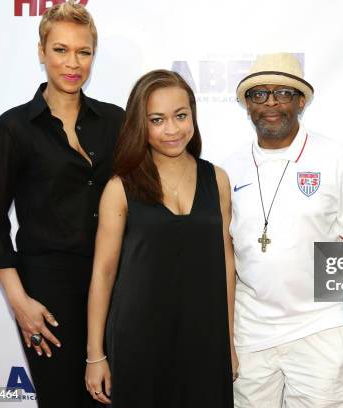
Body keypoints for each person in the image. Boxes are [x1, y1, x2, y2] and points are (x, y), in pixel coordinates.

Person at [0, 2, 124, 407]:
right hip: (46, 292)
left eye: (83, 51)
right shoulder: (15, 127)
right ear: (41, 52)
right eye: (60, 50)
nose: (72, 63)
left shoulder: (115, 121)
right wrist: (20, 302)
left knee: (112, 398)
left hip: (114, 284)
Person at [84, 69, 235, 407]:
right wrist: (95, 355)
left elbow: (226, 264)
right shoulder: (120, 187)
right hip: (138, 338)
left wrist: (228, 343)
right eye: (157, 119)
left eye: (181, 116)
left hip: (204, 337)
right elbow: (103, 274)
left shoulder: (218, 180)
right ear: (141, 124)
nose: (172, 129)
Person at [223, 52, 343, 407]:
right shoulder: (227, 169)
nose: (271, 103)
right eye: (259, 94)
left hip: (321, 329)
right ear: (247, 105)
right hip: (251, 334)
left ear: (301, 101)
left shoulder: (336, 158)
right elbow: (226, 258)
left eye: (283, 93)